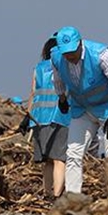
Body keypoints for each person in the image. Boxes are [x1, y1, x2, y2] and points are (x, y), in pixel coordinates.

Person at [50, 26, 108, 195]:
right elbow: (58, 80)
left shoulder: (100, 55)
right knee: (73, 153)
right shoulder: (56, 57)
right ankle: (73, 198)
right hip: (82, 109)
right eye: (66, 53)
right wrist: (62, 99)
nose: (69, 56)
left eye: (72, 51)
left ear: (80, 43)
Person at [26, 34, 70, 198]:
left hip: (39, 118)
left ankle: (47, 193)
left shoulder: (38, 68)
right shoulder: (65, 66)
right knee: (60, 159)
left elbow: (33, 93)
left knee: (47, 160)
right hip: (61, 116)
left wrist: (27, 116)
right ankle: (57, 194)